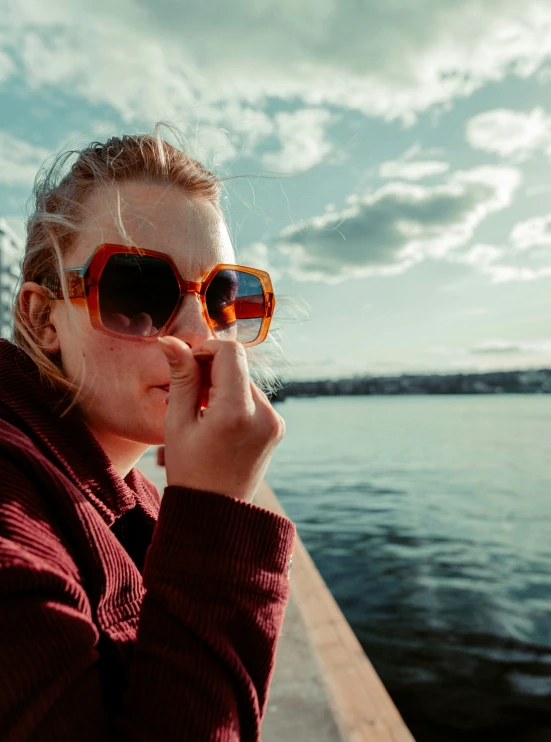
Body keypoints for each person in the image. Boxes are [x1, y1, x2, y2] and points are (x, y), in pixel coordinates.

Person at [0, 132, 295, 741]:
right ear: (42, 317)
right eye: (136, 291)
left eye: (221, 298)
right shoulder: (12, 522)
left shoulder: (134, 497)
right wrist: (218, 516)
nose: (195, 333)